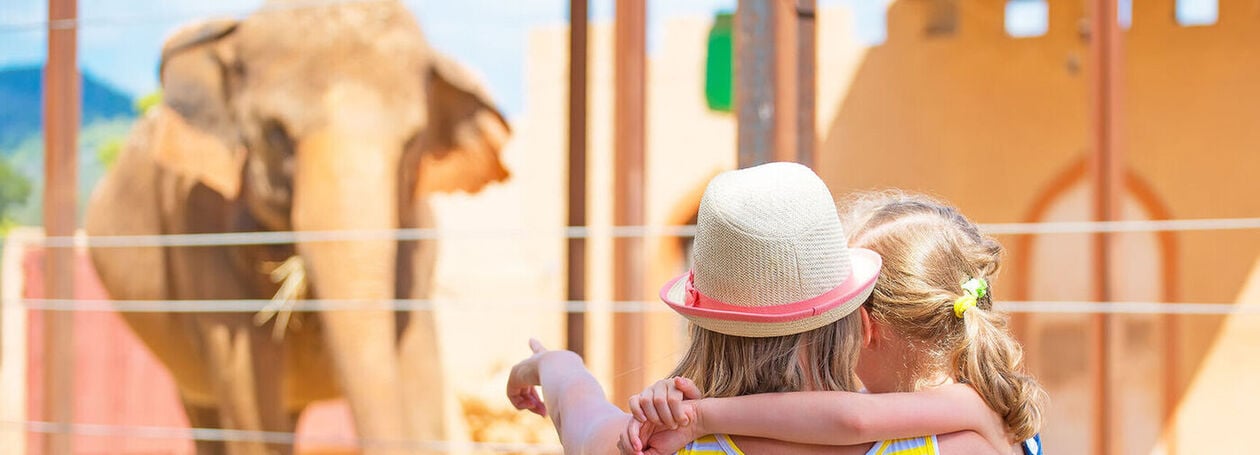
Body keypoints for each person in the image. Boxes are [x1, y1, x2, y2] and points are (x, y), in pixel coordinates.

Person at [508, 163, 1009, 454]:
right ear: (852, 319)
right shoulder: (958, 440)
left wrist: (552, 364)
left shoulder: (648, 442)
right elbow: (854, 421)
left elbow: (578, 410)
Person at [622, 191, 1047, 455]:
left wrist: (701, 418)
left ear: (863, 326)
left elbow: (852, 421)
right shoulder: (978, 401)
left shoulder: (965, 406)